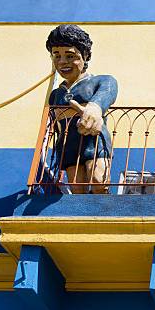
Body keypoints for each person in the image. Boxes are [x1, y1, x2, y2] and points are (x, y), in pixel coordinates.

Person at [46, 24, 118, 193]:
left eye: (70, 56)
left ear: (85, 56)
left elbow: (108, 92)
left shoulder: (101, 80)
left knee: (99, 180)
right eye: (57, 56)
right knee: (77, 188)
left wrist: (93, 108)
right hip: (68, 143)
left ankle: (103, 213)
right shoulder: (56, 94)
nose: (62, 62)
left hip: (94, 139)